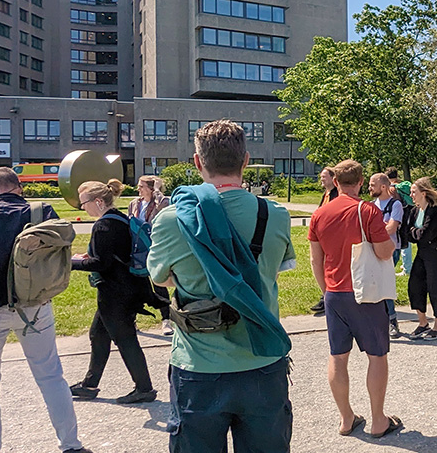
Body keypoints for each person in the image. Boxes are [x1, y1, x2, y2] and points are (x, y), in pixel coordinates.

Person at [148, 119, 297, 452]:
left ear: (198, 162)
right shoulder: (275, 214)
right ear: (245, 161)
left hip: (199, 368)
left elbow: (160, 278)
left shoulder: (172, 219)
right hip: (263, 361)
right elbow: (274, 270)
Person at [0, 167, 91, 453]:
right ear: (20, 188)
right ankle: (70, 444)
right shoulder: (41, 212)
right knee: (51, 376)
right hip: (35, 305)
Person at [309, 159, 403, 439]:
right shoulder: (367, 210)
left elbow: (316, 259)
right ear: (361, 181)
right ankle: (377, 421)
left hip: (334, 292)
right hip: (366, 293)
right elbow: (385, 252)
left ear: (335, 182)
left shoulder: (320, 213)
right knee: (377, 355)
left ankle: (346, 418)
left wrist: (326, 291)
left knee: (338, 356)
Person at [68, 178, 158, 405]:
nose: (82, 207)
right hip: (128, 287)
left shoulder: (103, 226)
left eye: (84, 202)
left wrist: (70, 262)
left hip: (114, 292)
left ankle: (144, 388)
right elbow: (113, 255)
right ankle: (89, 384)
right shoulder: (120, 218)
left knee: (125, 339)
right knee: (98, 335)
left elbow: (101, 264)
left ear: (98, 201)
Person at [128, 175, 174, 335]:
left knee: (159, 284)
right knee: (136, 286)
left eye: (142, 186)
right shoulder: (134, 204)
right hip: (138, 250)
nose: (138, 189)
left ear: (151, 188)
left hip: (156, 248)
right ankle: (132, 320)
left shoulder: (161, 203)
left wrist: (156, 191)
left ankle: (166, 321)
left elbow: (166, 208)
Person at [409, 177, 437, 339]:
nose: (411, 195)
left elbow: (425, 234)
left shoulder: (434, 212)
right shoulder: (415, 211)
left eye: (414, 192)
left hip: (435, 253)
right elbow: (410, 234)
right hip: (421, 252)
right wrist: (415, 233)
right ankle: (423, 322)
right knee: (414, 285)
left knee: (436, 287)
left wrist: (415, 232)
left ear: (423, 193)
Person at [369, 172, 405, 339]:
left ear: (383, 186)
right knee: (374, 284)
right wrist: (382, 226)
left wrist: (376, 228)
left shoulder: (395, 204)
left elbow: (391, 228)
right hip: (373, 248)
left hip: (391, 249)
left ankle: (392, 321)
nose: (369, 187)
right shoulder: (370, 205)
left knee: (385, 284)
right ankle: (378, 321)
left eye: (372, 184)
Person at [309, 166, 341, 314]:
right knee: (318, 263)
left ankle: (328, 297)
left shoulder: (337, 195)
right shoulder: (326, 194)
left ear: (333, 179)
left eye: (324, 176)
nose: (321, 179)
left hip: (332, 238)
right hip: (322, 236)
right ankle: (326, 295)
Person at [387, 167, 415, 275]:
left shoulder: (393, 188)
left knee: (403, 241)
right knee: (405, 240)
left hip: (402, 215)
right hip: (409, 212)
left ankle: (407, 268)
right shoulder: (403, 184)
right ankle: (406, 265)